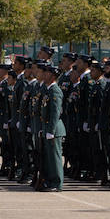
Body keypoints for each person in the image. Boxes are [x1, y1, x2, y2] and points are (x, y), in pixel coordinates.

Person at [39, 64, 65, 192]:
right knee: (49, 157)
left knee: (55, 158)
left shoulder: (55, 90)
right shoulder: (47, 89)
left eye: (47, 73)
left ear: (53, 76)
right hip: (47, 127)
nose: (44, 74)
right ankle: (50, 180)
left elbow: (56, 112)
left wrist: (51, 130)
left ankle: (57, 183)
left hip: (54, 129)